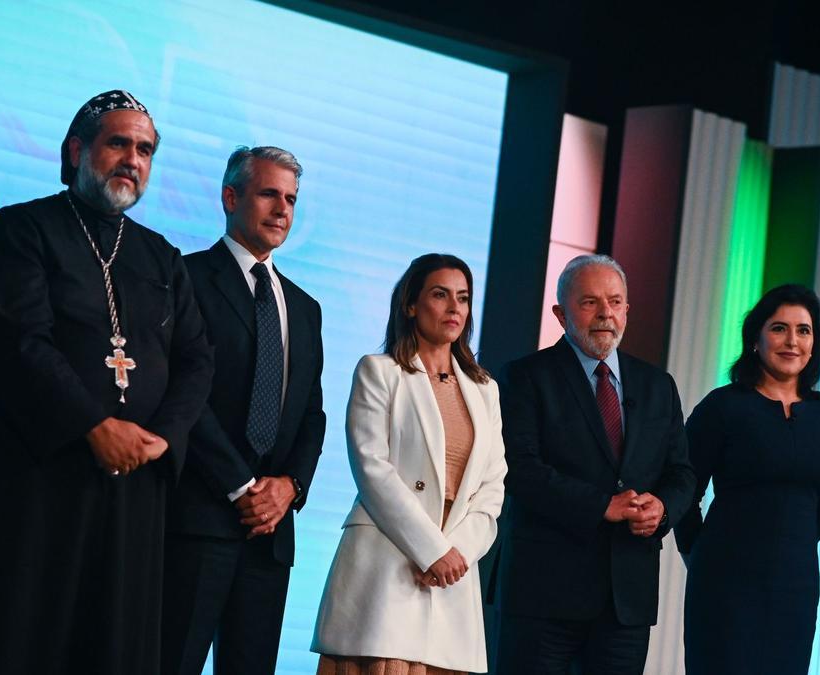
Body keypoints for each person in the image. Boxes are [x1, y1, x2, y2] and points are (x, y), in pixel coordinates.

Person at [0, 91, 213, 675]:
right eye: (118, 143)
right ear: (77, 150)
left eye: (146, 150)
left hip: (133, 489)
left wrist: (162, 437)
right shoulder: (22, 229)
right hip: (36, 483)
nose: (133, 159)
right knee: (17, 636)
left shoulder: (162, 257)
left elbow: (197, 360)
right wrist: (93, 426)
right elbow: (20, 340)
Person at [162, 146, 326, 675]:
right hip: (198, 520)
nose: (282, 210)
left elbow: (311, 416)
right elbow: (184, 396)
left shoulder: (304, 308)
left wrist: (289, 488)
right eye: (269, 194)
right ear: (231, 197)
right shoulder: (183, 277)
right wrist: (241, 486)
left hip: (270, 536)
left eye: (292, 200)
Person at [495, 254, 695, 674]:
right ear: (560, 314)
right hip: (544, 593)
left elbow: (682, 472)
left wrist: (661, 509)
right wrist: (603, 505)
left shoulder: (658, 385)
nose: (605, 312)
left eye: (615, 301)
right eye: (589, 302)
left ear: (627, 310)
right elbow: (521, 470)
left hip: (627, 598)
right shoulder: (525, 377)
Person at [312, 253, 508, 674]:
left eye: (463, 298)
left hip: (452, 578)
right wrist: (431, 551)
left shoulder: (484, 389)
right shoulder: (379, 371)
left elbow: (493, 487)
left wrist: (455, 555)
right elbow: (371, 469)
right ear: (410, 305)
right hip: (387, 567)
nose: (455, 307)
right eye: (441, 295)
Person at [673, 284, 820, 674]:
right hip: (724, 583)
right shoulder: (722, 407)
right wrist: (698, 555)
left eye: (804, 331)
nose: (792, 341)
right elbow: (683, 491)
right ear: (756, 338)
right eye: (779, 328)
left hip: (796, 588)